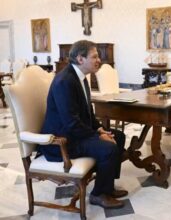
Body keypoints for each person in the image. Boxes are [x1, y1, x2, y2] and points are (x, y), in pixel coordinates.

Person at [38, 40, 127, 209]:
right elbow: (71, 123)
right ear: (80, 59)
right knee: (108, 148)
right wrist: (98, 136)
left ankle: (107, 187)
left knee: (119, 136)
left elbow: (87, 114)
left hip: (74, 133)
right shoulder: (65, 81)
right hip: (61, 141)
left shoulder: (81, 77)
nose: (99, 60)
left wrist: (100, 129)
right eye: (94, 56)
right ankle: (98, 195)